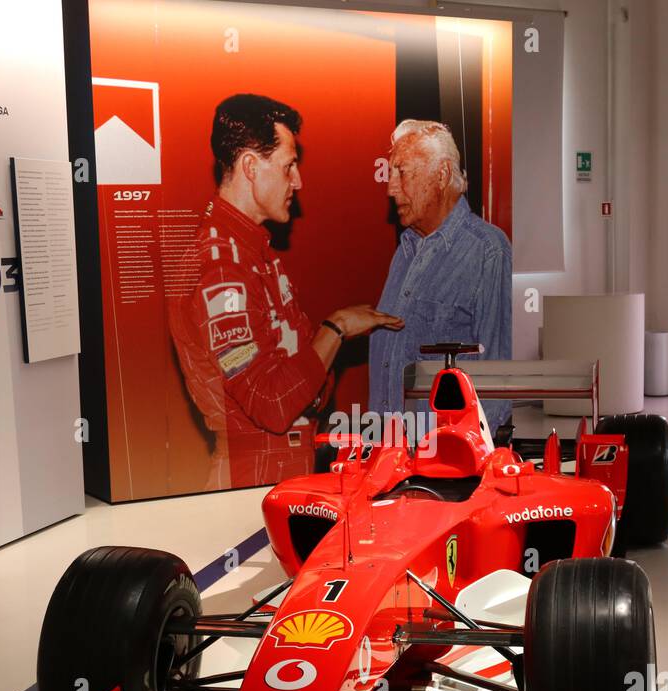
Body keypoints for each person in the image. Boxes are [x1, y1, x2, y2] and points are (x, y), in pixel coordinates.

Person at [171, 93, 402, 489]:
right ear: (249, 166)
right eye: (289, 165)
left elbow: (310, 389)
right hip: (253, 484)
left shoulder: (253, 252)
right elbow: (275, 404)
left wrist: (313, 366)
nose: (298, 181)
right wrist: (337, 328)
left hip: (282, 473)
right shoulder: (222, 265)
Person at [370, 119, 513, 434]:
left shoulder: (487, 251)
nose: (390, 188)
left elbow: (496, 382)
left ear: (442, 174)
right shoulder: (406, 249)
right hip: (390, 453)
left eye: (402, 173)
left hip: (445, 462)